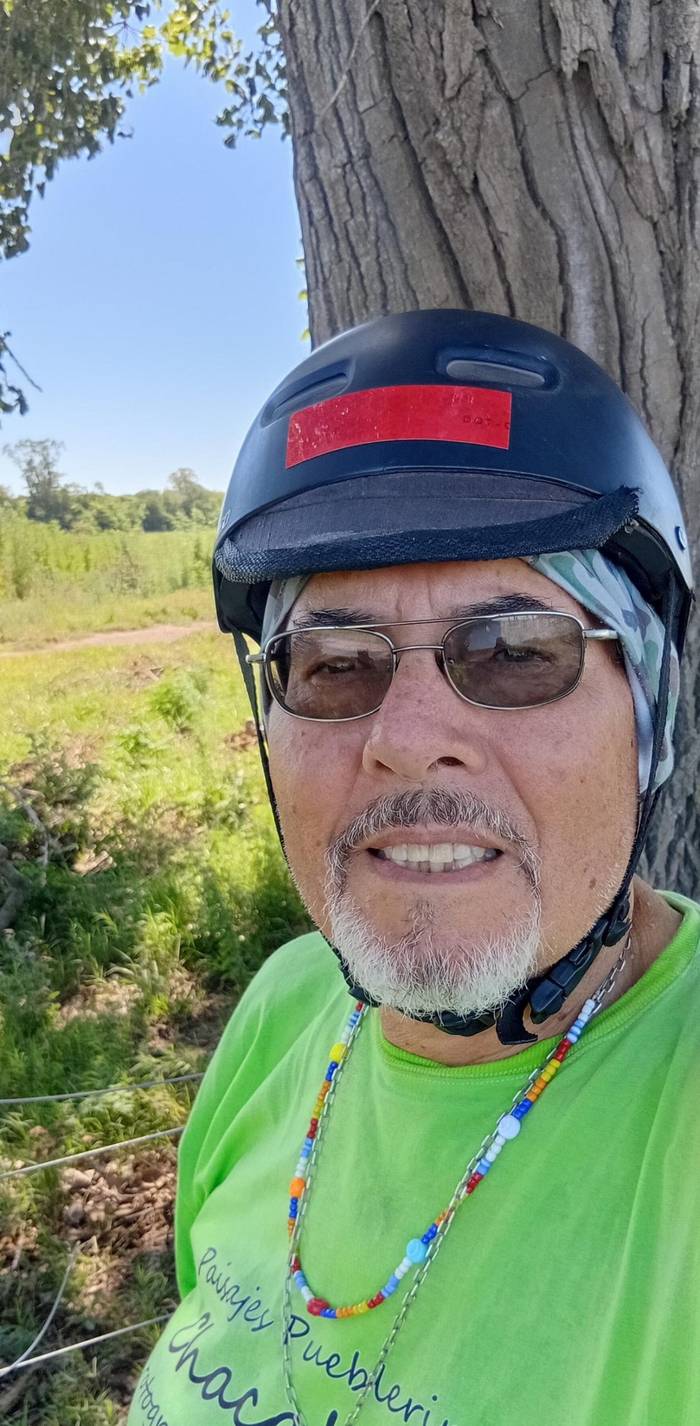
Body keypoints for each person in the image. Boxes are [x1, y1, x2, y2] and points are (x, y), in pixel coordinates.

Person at [128, 309, 698, 1426]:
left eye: (515, 651)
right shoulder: (286, 1003)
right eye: (336, 664)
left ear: (648, 713)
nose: (406, 737)